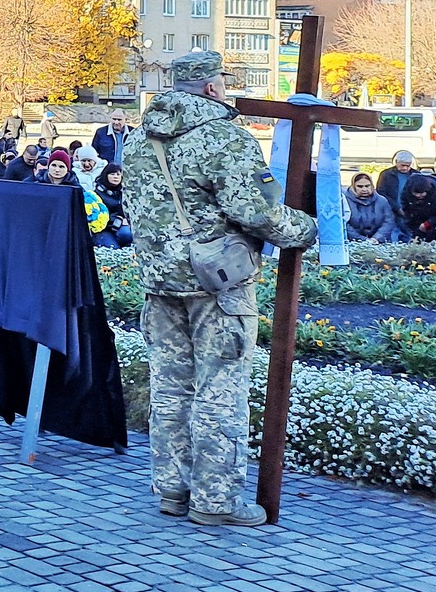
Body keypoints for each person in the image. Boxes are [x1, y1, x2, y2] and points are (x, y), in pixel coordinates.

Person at [122, 49, 317, 528]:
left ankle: (172, 489)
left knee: (170, 388)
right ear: (212, 87)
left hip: (159, 282)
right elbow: (256, 211)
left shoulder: (138, 137)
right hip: (217, 283)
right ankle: (216, 500)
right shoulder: (225, 137)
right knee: (220, 390)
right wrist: (305, 230)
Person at [344, 172, 399, 244]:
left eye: (367, 186)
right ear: (353, 186)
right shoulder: (345, 201)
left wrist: (376, 238)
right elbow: (344, 223)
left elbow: (389, 221)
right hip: (353, 242)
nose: (364, 189)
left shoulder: (382, 200)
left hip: (379, 242)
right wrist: (362, 240)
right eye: (360, 186)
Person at [95, 165, 134, 248]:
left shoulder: (126, 192)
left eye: (118, 174)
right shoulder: (96, 194)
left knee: (127, 234)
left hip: (122, 226)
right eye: (112, 174)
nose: (115, 177)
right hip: (104, 228)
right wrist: (117, 220)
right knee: (112, 248)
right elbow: (95, 216)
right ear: (105, 175)